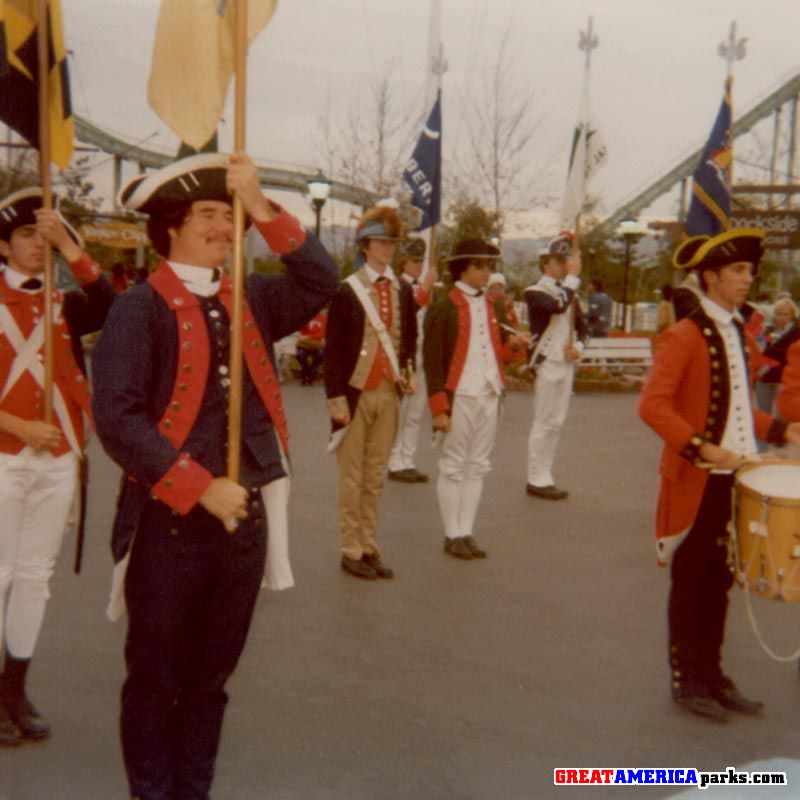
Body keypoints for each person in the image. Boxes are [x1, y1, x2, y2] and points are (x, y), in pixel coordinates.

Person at [91, 152, 338, 799]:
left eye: (228, 218)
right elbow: (116, 419)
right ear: (170, 225)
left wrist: (259, 204)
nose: (223, 229)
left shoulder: (252, 297)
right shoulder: (137, 309)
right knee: (155, 680)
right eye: (208, 215)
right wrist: (199, 486)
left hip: (243, 526)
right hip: (168, 531)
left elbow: (321, 281)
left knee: (209, 683)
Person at [639, 228, 800, 723]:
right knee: (692, 579)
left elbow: (735, 407)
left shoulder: (737, 331)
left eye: (750, 271)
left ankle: (712, 673)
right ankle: (687, 679)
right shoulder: (684, 334)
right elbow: (652, 406)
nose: (748, 279)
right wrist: (700, 447)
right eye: (737, 271)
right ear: (710, 277)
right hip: (698, 476)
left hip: (735, 476)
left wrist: (781, 428)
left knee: (721, 578)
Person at [0, 187, 114, 746]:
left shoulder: (65, 303)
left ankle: (13, 689)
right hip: (3, 456)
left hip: (59, 456)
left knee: (35, 578)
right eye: (27, 234)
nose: (36, 245)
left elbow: (109, 300)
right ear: (4, 244)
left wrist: (69, 244)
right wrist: (19, 429)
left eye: (43, 235)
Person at [324, 205, 417, 579]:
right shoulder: (348, 292)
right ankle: (350, 546)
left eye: (391, 243)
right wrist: (335, 401)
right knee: (351, 475)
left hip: (387, 391)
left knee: (375, 475)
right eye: (381, 242)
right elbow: (334, 351)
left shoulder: (403, 291)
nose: (388, 249)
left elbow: (408, 338)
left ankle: (368, 544)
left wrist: (406, 372)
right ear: (365, 246)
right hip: (354, 393)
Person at [425, 239, 528, 560]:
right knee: (453, 465)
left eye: (489, 266)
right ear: (462, 268)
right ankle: (451, 533)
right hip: (461, 395)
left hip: (489, 393)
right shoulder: (443, 307)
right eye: (480, 266)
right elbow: (433, 359)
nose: (487, 272)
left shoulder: (494, 306)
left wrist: (514, 346)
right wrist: (439, 407)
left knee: (478, 465)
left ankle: (466, 531)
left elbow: (498, 355)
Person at [524, 232, 588, 500]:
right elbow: (558, 307)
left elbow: (585, 331)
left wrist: (579, 349)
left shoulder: (570, 292)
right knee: (543, 421)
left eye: (566, 260)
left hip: (565, 365)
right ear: (545, 264)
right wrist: (573, 278)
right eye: (558, 260)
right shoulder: (535, 292)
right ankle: (534, 478)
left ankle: (546, 474)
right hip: (547, 362)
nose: (563, 265)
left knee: (556, 422)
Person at [387, 236, 436, 483]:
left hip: (423, 354)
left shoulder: (423, 287)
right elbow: (408, 311)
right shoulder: (396, 285)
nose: (417, 264)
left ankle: (408, 458)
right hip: (405, 355)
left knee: (416, 412)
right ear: (403, 261)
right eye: (413, 260)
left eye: (420, 260)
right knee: (401, 410)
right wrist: (426, 289)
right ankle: (394, 460)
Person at [755, 297, 800, 414]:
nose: (782, 317)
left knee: (782, 416)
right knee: (764, 413)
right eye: (779, 314)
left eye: (786, 314)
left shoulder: (795, 333)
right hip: (764, 377)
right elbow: (759, 350)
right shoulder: (767, 330)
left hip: (783, 379)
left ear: (792, 315)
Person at [295, 308, 326, 385]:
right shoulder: (305, 317)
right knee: (300, 355)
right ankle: (306, 371)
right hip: (304, 345)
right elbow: (300, 332)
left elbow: (321, 334)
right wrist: (313, 336)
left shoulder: (322, 318)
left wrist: (307, 337)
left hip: (316, 345)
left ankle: (311, 372)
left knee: (320, 355)